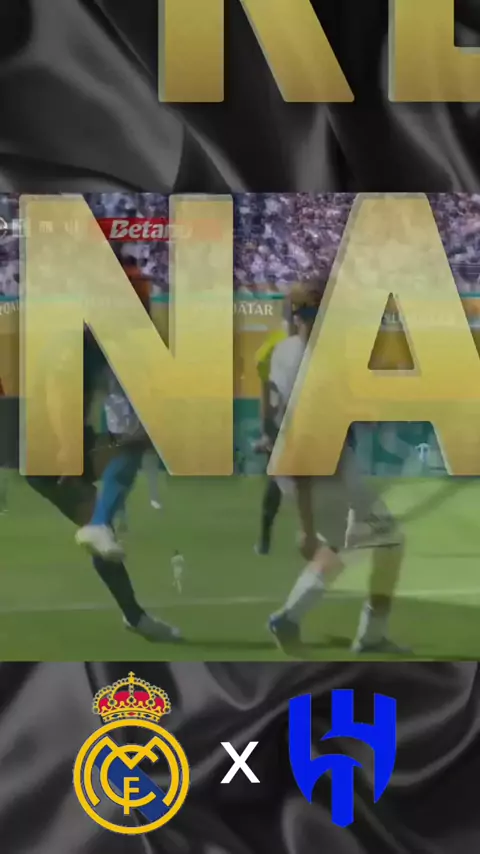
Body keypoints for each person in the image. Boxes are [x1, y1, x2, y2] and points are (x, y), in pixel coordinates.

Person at [267, 280, 407, 655]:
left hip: (299, 462)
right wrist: (305, 524)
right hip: (322, 465)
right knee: (388, 542)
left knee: (346, 546)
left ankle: (294, 619)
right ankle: (366, 635)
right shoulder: (320, 363)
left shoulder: (284, 352)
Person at [252, 300, 297, 554]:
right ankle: (265, 537)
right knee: (276, 482)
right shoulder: (272, 349)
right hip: (284, 423)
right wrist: (267, 432)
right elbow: (266, 394)